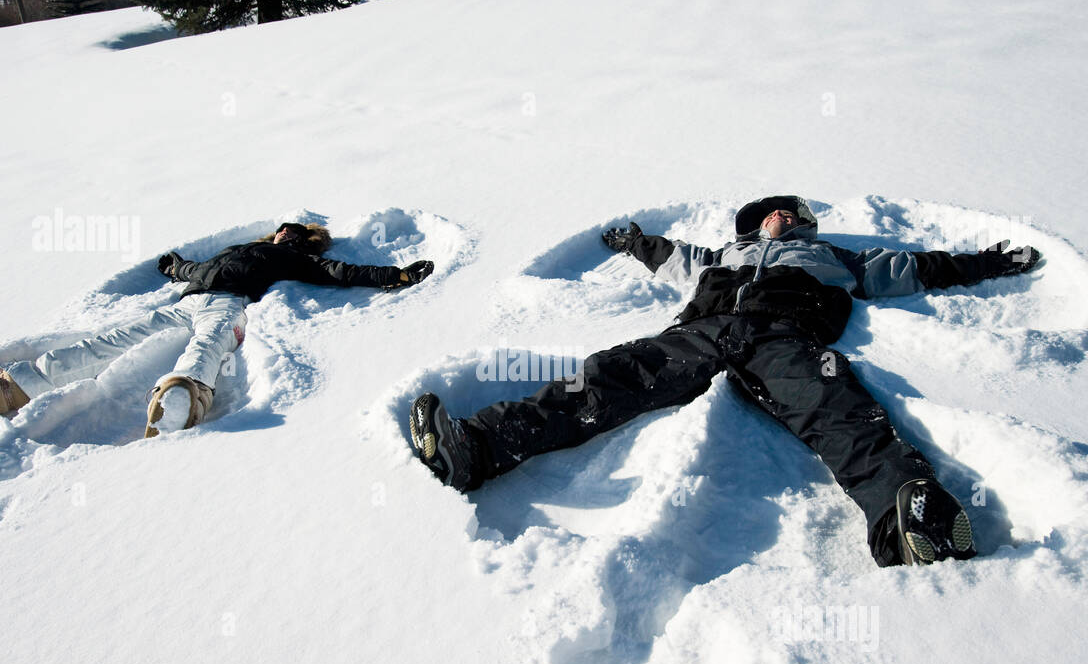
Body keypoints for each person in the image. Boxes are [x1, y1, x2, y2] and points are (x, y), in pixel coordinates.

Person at [408, 194, 1042, 566]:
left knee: (836, 407)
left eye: (792, 217)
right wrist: (634, 241)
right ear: (753, 225)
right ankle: (478, 447)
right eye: (774, 217)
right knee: (602, 380)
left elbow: (920, 267)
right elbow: (670, 257)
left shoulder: (839, 260)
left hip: (783, 336)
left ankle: (909, 519)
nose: (784, 222)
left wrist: (988, 261)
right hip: (703, 331)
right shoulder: (722, 259)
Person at [0, 221, 434, 438]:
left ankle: (186, 398)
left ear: (305, 243)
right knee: (105, 343)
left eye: (296, 234)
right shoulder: (238, 250)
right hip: (188, 298)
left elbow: (338, 273)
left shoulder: (291, 259)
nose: (286, 234)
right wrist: (175, 267)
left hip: (226, 307)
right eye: (283, 228)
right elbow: (197, 271)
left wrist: (393, 276)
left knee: (209, 345)